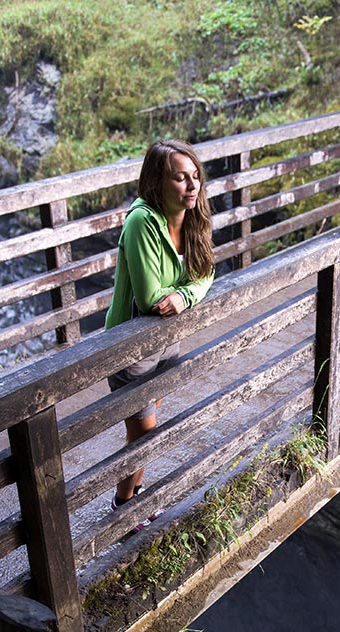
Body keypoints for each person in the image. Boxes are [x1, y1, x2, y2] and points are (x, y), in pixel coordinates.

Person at [105, 138, 214, 522]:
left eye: (195, 176)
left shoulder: (194, 217)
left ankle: (134, 494)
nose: (192, 185)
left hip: (167, 341)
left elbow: (206, 274)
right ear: (157, 182)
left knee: (143, 433)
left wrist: (184, 296)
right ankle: (124, 506)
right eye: (180, 178)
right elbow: (152, 297)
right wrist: (185, 291)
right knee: (145, 435)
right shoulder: (140, 223)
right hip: (131, 347)